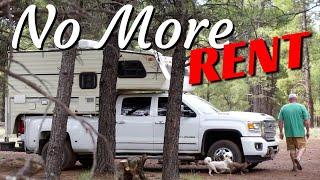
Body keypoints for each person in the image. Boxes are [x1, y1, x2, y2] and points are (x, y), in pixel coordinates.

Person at [278, 93, 311, 172]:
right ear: (296, 99)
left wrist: (281, 132)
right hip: (299, 133)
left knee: (292, 149)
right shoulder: (301, 107)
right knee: (302, 147)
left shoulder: (284, 108)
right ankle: (298, 158)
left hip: (289, 134)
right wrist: (308, 131)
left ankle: (294, 167)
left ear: (289, 100)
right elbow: (306, 121)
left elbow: (280, 121)